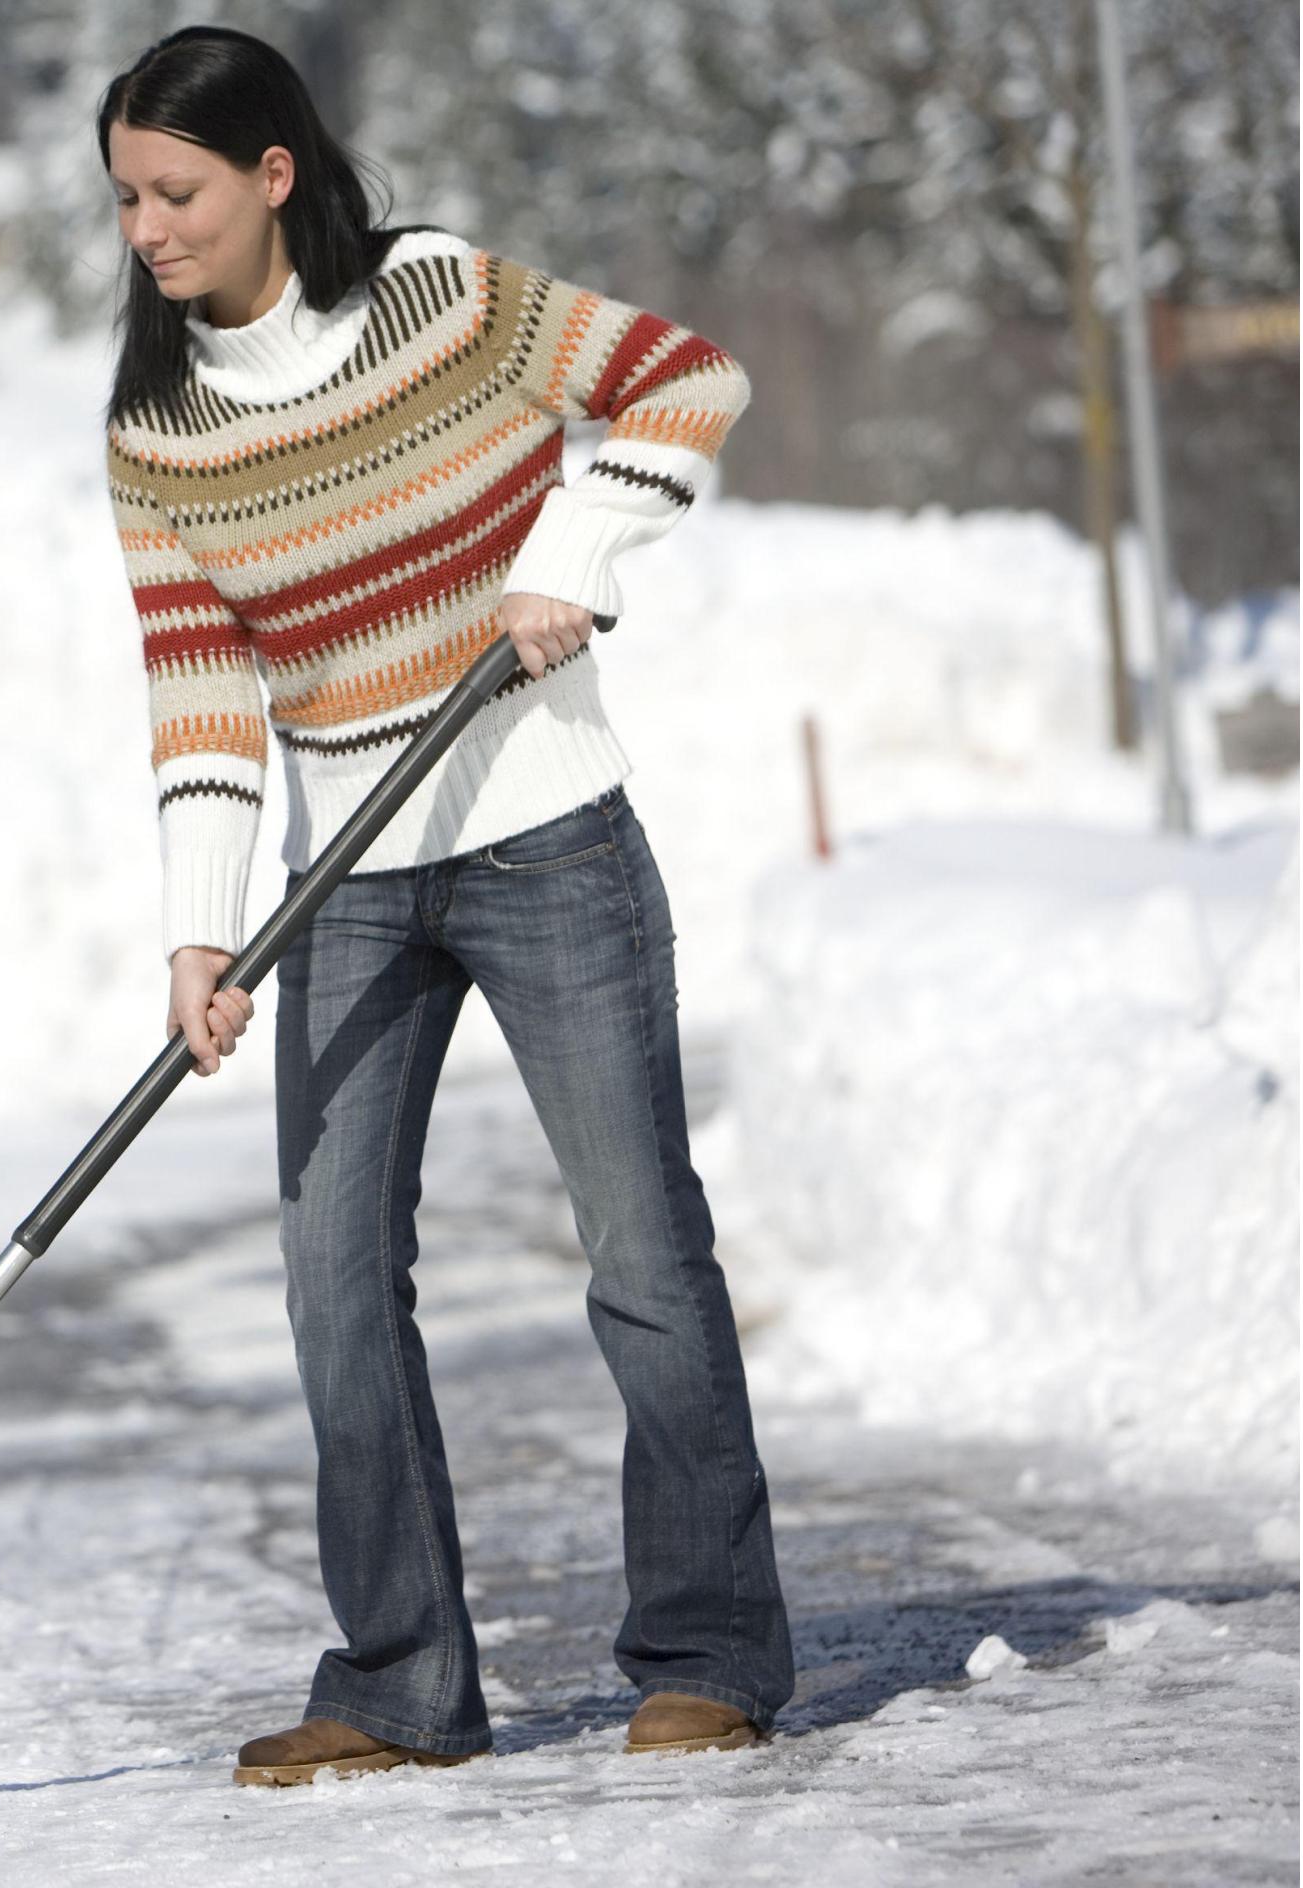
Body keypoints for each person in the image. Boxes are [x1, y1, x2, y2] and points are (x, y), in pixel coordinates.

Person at [96, 25, 798, 1783]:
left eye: (176, 192)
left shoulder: (446, 300)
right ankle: (401, 1681)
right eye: (125, 200)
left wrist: (571, 557)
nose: (148, 231)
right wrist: (201, 927)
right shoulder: (158, 430)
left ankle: (710, 1650)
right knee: (333, 1281)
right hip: (344, 881)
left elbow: (686, 379)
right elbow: (200, 686)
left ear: (273, 173)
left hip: (547, 834)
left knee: (641, 1253)